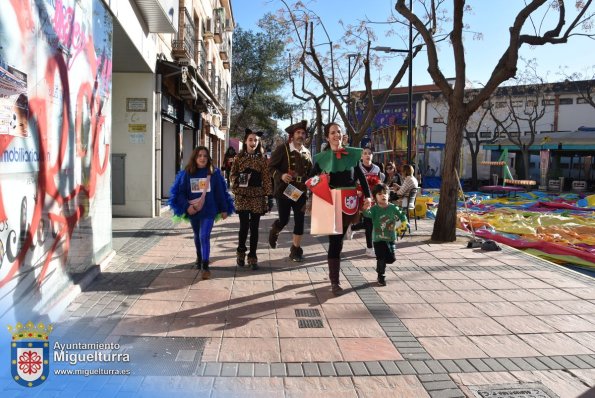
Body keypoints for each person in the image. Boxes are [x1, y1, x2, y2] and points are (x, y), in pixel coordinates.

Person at [309, 123, 372, 295]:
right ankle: (335, 282)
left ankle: (334, 274)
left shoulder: (352, 155)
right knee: (335, 241)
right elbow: (311, 180)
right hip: (331, 202)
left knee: (340, 240)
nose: (336, 135)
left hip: (349, 203)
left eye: (339, 131)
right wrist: (322, 178)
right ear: (327, 137)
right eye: (332, 132)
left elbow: (361, 177)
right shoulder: (322, 158)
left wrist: (368, 196)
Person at [168, 146, 234, 280]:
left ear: (208, 157)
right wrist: (187, 207)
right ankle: (199, 257)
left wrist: (224, 208)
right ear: (195, 158)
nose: (202, 158)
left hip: (209, 210)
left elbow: (220, 193)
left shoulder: (214, 173)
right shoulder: (187, 173)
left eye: (205, 155)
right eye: (199, 156)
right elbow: (180, 193)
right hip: (194, 210)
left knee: (204, 235)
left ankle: (205, 266)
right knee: (197, 235)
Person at [268, 120, 313, 262]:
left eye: (303, 133)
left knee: (300, 221)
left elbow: (311, 173)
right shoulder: (283, 149)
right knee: (284, 219)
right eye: (298, 133)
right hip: (284, 191)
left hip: (300, 192)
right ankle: (275, 229)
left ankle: (295, 250)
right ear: (292, 135)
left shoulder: (307, 152)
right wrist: (281, 175)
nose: (300, 135)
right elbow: (271, 168)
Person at [230, 128, 273, 270]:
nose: (253, 142)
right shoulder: (238, 157)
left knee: (254, 228)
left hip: (257, 196)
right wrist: (238, 182)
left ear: (258, 142)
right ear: (245, 141)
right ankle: (240, 252)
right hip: (242, 195)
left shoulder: (262, 159)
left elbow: (267, 178)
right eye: (250, 139)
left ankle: (253, 256)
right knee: (244, 226)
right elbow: (232, 175)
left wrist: (269, 196)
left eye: (255, 140)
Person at [363, 184, 408, 286]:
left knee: (391, 259)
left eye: (385, 193)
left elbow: (402, 215)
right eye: (380, 194)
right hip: (378, 239)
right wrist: (365, 208)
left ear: (388, 195)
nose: (383, 196)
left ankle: (382, 265)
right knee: (381, 258)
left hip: (390, 238)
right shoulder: (374, 209)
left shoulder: (393, 208)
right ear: (375, 197)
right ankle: (381, 276)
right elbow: (367, 214)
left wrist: (404, 223)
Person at [349, 147, 385, 257]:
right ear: (361, 156)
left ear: (372, 156)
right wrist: (357, 191)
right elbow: (352, 182)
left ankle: (354, 229)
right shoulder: (357, 167)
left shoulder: (377, 169)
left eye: (369, 153)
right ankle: (369, 247)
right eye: (365, 153)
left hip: (373, 199)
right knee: (368, 221)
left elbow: (380, 184)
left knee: (371, 222)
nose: (367, 155)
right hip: (361, 197)